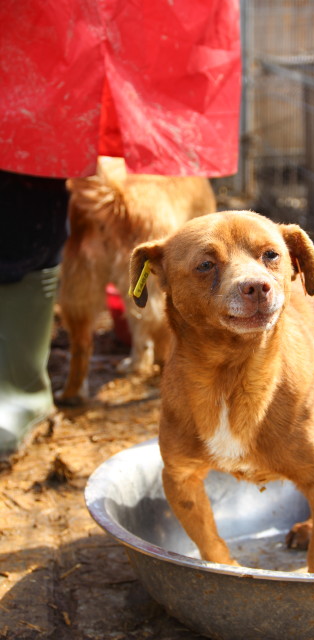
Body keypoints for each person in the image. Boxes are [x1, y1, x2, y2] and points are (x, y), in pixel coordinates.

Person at [0, 1, 241, 454]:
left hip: (82, 210)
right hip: (126, 208)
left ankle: (68, 384)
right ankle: (171, 390)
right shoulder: (182, 178)